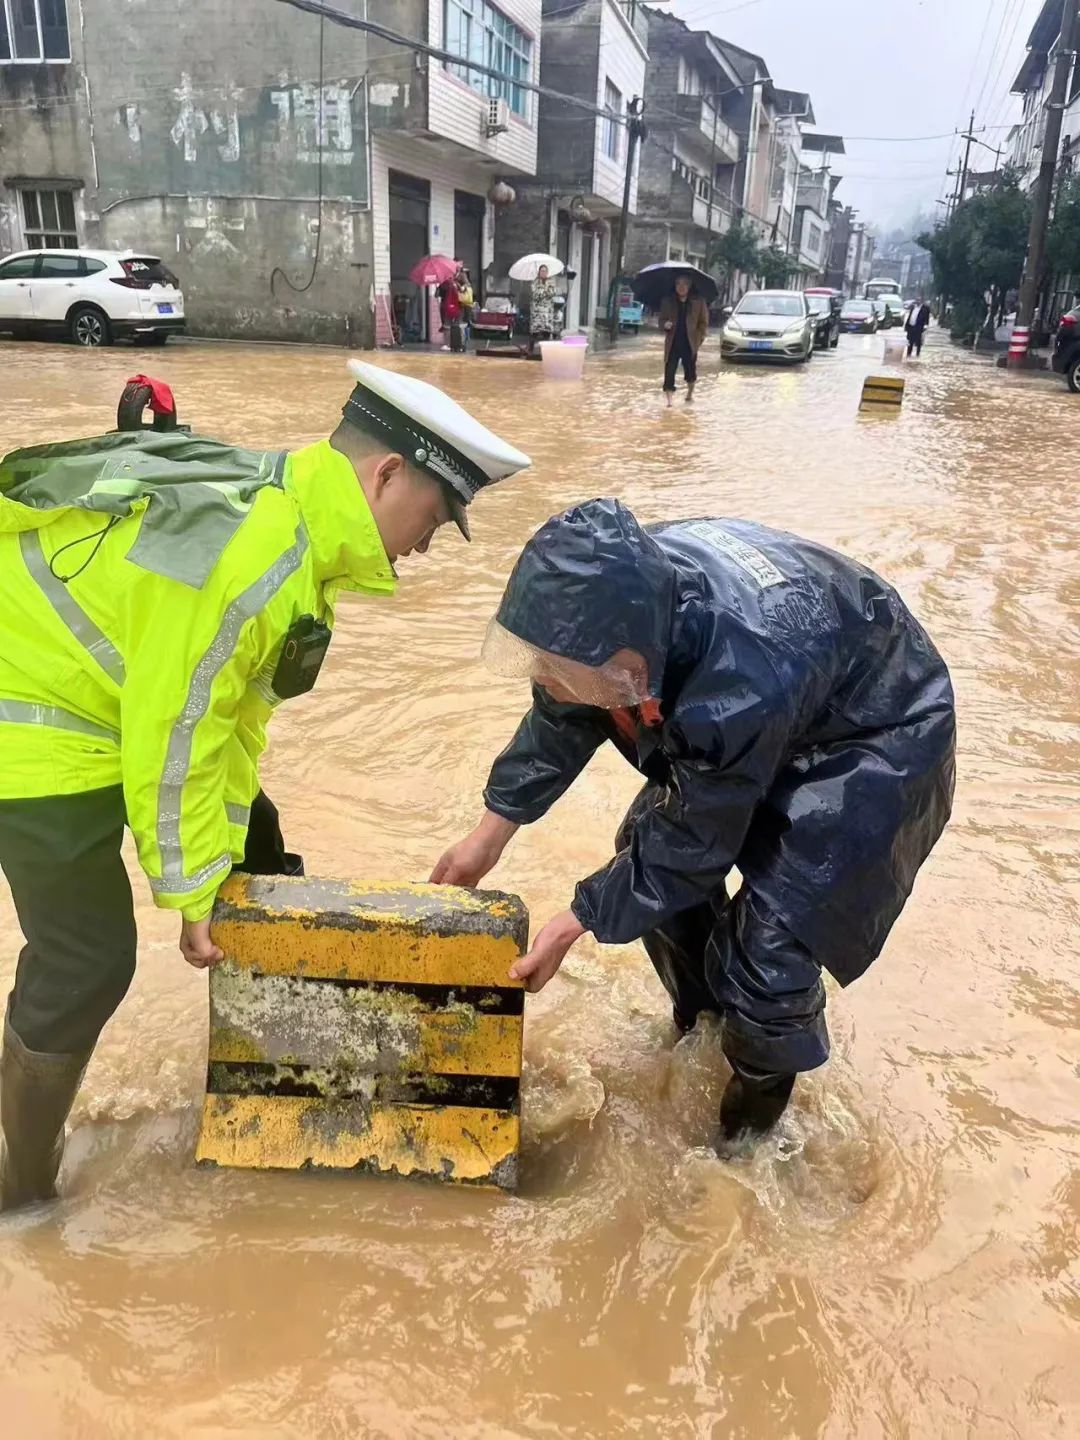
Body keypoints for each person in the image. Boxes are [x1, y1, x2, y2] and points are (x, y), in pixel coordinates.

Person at [0, 361, 531, 1211]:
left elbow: (234, 724)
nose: (429, 541)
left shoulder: (298, 532)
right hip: (31, 717)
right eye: (433, 515)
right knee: (88, 957)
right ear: (385, 473)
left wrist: (230, 859)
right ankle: (18, 1182)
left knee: (260, 847)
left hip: (101, 705)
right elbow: (173, 734)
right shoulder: (257, 552)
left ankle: (284, 1066)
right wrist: (193, 891)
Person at [431, 500, 955, 1148]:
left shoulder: (735, 677)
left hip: (875, 731)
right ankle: (704, 1022)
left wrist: (575, 921)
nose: (546, 680)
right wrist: (489, 834)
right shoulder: (608, 606)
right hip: (783, 705)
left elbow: (693, 841)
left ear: (631, 665)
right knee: (639, 851)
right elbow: (565, 710)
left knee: (769, 948)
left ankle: (752, 1133)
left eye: (557, 668)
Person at [659, 275, 709, 405]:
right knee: (669, 372)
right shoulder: (668, 302)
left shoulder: (698, 302)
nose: (681, 287)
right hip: (673, 343)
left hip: (690, 343)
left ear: (689, 286)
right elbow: (661, 320)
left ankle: (689, 393)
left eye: (684, 284)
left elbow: (703, 323)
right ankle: (669, 402)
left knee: (690, 372)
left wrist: (699, 339)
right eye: (678, 284)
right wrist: (665, 324)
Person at [529, 265, 557, 347]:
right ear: (539, 272)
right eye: (542, 271)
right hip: (536, 313)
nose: (543, 272)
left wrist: (542, 291)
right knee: (534, 333)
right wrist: (546, 292)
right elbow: (535, 294)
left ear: (547, 272)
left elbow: (553, 293)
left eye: (545, 271)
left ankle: (545, 352)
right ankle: (530, 351)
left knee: (546, 333)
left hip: (547, 313)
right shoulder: (535, 282)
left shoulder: (551, 282)